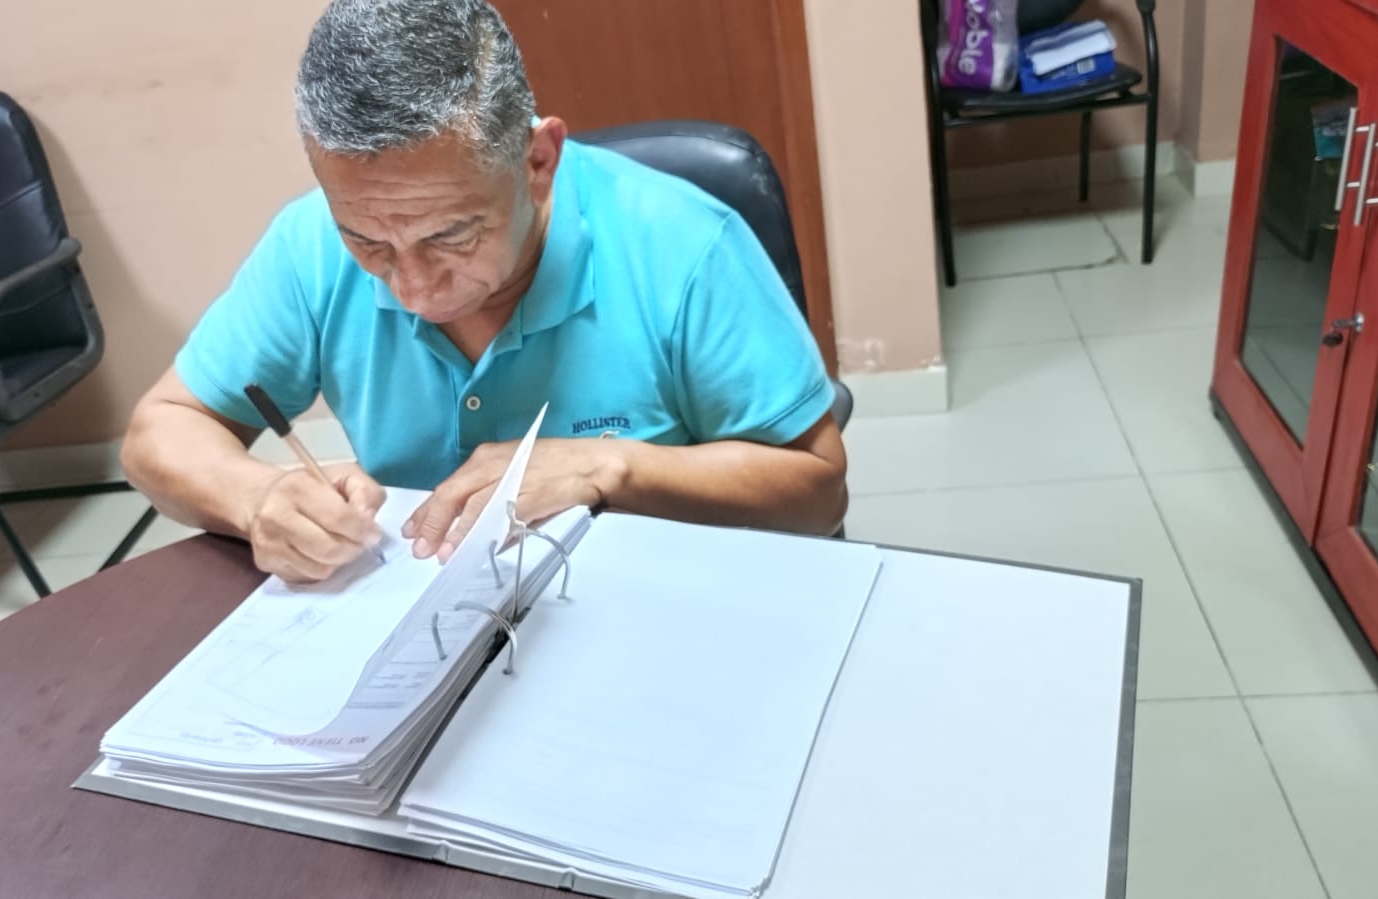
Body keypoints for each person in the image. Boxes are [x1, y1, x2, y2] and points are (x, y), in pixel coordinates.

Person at [122, 0, 847, 584]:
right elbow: (161, 430)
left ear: (538, 160)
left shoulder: (683, 243)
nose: (413, 288)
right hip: (426, 618)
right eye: (369, 243)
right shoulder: (308, 243)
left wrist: (609, 467)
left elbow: (815, 492)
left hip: (648, 601)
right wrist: (258, 498)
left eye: (451, 236)